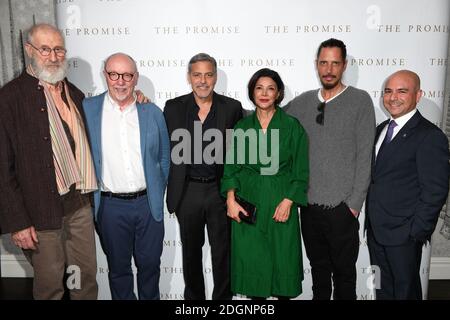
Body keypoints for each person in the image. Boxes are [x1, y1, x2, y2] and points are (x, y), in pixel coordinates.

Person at [0, 23, 98, 299]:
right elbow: (2, 169)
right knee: (50, 285)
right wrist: (18, 222)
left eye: (58, 49)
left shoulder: (74, 94)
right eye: (45, 49)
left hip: (79, 204)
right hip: (40, 211)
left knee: (83, 278)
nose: (53, 56)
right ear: (29, 50)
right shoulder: (10, 98)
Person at [285, 38, 376, 300]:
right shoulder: (302, 103)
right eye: (324, 62)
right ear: (316, 65)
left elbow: (364, 156)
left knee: (345, 275)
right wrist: (230, 110)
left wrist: (353, 205)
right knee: (319, 273)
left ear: (344, 65)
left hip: (342, 209)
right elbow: (269, 118)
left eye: (335, 63)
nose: (329, 69)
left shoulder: (360, 101)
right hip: (309, 206)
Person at [82, 53, 170, 300]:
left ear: (136, 78)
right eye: (114, 74)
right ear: (105, 75)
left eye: (127, 75)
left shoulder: (151, 111)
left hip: (147, 205)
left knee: (150, 267)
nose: (120, 81)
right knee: (118, 271)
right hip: (109, 206)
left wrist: (156, 189)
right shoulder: (88, 109)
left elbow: (164, 156)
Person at [221, 68, 309, 299]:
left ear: (278, 93)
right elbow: (231, 168)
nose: (264, 93)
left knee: (283, 265)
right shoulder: (242, 127)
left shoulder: (292, 126)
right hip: (248, 202)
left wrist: (289, 201)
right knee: (253, 270)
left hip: (281, 201)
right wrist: (230, 200)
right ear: (252, 92)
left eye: (270, 88)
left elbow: (301, 170)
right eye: (259, 88)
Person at [163, 53, 243, 300]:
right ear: (189, 78)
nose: (203, 80)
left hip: (219, 192)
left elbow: (238, 154)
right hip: (187, 192)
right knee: (190, 256)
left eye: (208, 74)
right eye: (197, 74)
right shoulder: (173, 108)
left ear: (216, 77)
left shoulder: (232, 108)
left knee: (223, 254)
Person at [366, 70, 449, 300]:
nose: (393, 97)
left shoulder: (430, 136)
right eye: (388, 91)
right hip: (376, 232)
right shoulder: (381, 129)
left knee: (405, 293)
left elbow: (436, 190)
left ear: (418, 95)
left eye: (402, 91)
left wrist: (415, 232)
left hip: (404, 236)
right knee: (382, 290)